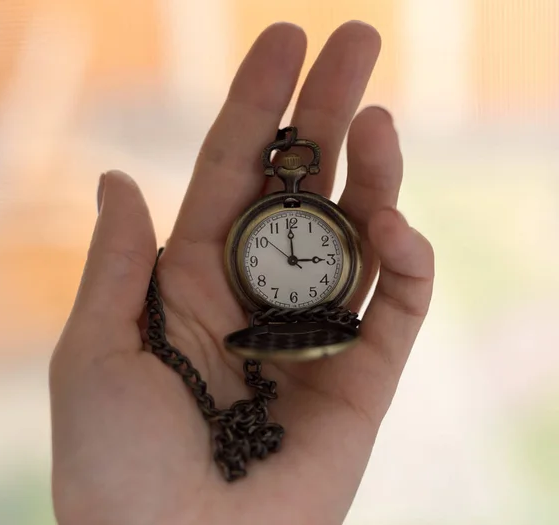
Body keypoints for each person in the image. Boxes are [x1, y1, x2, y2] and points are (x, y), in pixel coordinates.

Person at [49, 21, 435, 525]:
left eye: (308, 260)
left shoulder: (298, 239)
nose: (295, 264)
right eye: (279, 257)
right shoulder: (260, 245)